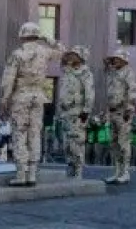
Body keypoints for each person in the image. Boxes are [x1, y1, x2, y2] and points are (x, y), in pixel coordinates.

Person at [0, 21, 66, 187]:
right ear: (37, 35)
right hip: (38, 96)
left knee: (20, 134)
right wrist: (47, 38)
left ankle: (21, 174)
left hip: (21, 97)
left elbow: (8, 79)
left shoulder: (17, 54)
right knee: (35, 133)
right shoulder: (45, 52)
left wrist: (4, 99)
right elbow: (63, 53)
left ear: (22, 35)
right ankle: (32, 174)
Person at [57, 45, 93, 179]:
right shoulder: (68, 71)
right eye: (71, 54)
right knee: (67, 144)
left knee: (76, 143)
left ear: (81, 57)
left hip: (78, 113)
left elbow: (89, 93)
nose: (72, 56)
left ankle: (78, 170)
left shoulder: (85, 73)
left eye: (75, 55)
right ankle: (71, 167)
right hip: (66, 113)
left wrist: (86, 110)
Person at [103, 47, 136, 185]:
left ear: (123, 60)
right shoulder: (113, 73)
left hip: (123, 111)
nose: (114, 60)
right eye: (114, 58)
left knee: (124, 143)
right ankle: (117, 171)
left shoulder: (128, 72)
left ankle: (125, 172)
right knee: (114, 143)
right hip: (112, 111)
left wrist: (129, 109)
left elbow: (132, 91)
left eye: (117, 59)